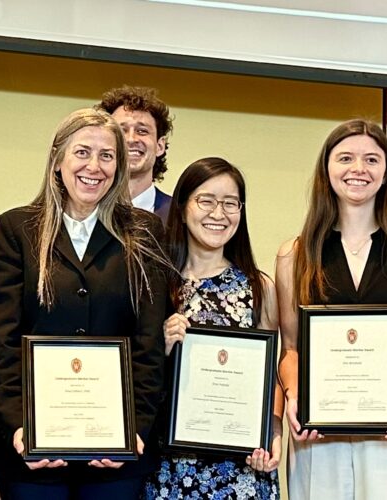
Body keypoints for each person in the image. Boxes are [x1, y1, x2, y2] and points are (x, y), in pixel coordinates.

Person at [0, 108, 170, 499]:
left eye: (107, 156)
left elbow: (148, 342)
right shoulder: (17, 229)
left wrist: (133, 428)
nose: (94, 166)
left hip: (116, 451)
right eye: (82, 152)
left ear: (118, 167)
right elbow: (0, 339)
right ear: (57, 161)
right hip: (30, 450)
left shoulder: (145, 232)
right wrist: (20, 428)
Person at [277, 119, 387, 499]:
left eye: (372, 159)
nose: (359, 169)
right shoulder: (295, 253)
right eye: (346, 158)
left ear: (386, 173)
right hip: (319, 431)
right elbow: (290, 349)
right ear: (327, 169)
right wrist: (293, 396)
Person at [144, 157, 282, 499]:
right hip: (168, 464)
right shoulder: (156, 283)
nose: (218, 214)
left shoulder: (258, 287)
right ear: (182, 205)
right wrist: (158, 346)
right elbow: (134, 371)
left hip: (240, 467)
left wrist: (273, 433)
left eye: (230, 203)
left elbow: (270, 376)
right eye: (206, 200)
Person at [95, 85, 174, 221]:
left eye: (142, 131)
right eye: (121, 131)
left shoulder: (179, 214)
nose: (131, 139)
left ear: (160, 146)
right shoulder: (83, 210)